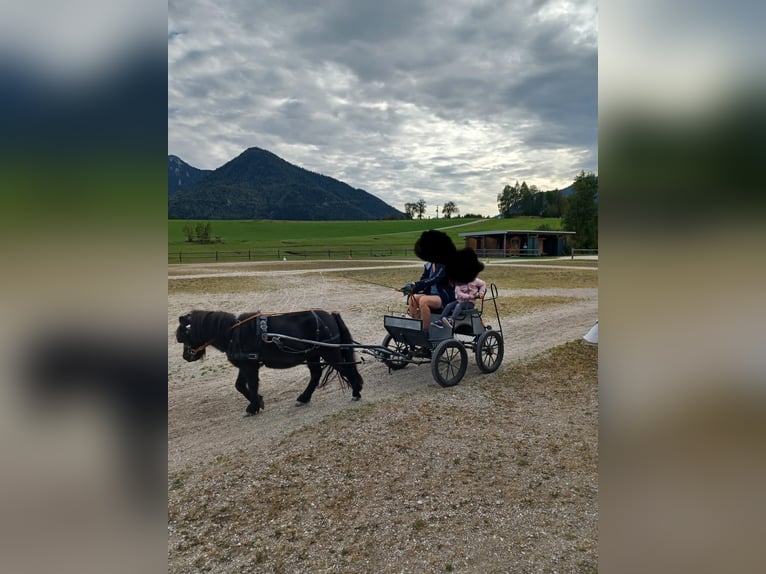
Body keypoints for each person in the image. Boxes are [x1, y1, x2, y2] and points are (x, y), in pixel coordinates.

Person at [402, 261, 455, 331]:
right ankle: (414, 325)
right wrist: (412, 289)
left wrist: (415, 284)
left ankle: (425, 330)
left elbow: (435, 278)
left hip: (444, 296)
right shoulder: (428, 265)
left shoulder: (443, 264)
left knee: (424, 301)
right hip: (431, 295)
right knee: (413, 297)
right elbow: (423, 280)